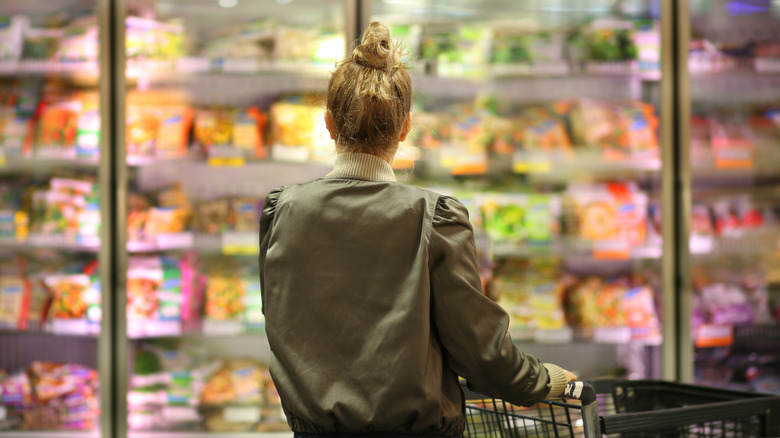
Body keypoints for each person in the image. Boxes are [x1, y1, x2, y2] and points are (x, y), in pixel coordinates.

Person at [259, 21, 577, 438]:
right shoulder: (434, 218)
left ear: (329, 125)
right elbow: (479, 350)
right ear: (406, 127)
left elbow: (280, 320)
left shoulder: (282, 209)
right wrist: (543, 382)